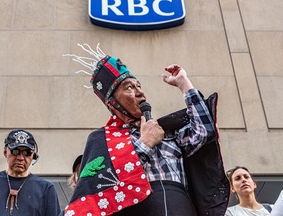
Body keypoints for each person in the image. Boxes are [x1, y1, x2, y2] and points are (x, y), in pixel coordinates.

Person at [63, 44, 230, 215]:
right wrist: (145, 144)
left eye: (139, 86)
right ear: (112, 102)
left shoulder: (167, 132)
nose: (139, 92)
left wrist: (184, 83)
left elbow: (204, 131)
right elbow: (102, 192)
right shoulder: (102, 140)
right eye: (129, 87)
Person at [0, 129, 61, 216]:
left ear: (33, 155)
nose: (21, 158)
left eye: (26, 153)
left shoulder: (45, 189)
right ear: (5, 152)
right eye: (15, 151)